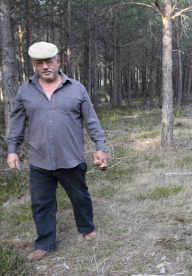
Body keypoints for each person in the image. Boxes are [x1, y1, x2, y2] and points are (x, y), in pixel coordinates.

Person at [5, 41, 108, 261]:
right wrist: (12, 149)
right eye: (39, 62)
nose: (45, 66)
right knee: (41, 203)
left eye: (49, 61)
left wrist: (100, 147)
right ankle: (44, 244)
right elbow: (16, 122)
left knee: (80, 197)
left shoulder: (76, 88)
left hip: (70, 158)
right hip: (40, 159)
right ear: (33, 65)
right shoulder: (25, 90)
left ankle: (87, 229)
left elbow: (91, 121)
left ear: (58, 62)